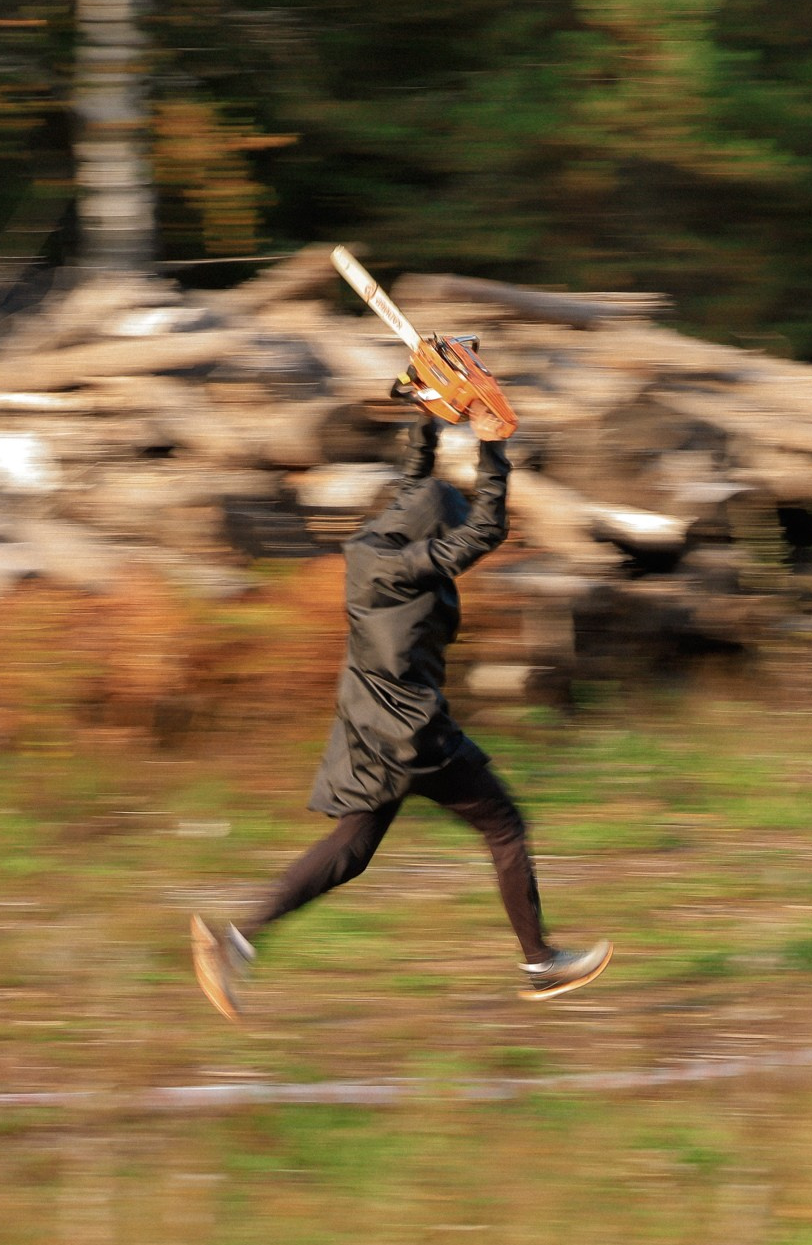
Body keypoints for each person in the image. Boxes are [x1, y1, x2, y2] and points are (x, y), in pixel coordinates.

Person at [191, 404, 611, 1020]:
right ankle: (540, 963)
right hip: (415, 733)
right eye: (447, 533)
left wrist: (428, 415)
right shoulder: (413, 569)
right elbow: (487, 531)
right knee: (504, 826)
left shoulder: (374, 546)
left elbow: (414, 486)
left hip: (366, 728)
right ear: (433, 536)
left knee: (352, 849)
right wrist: (493, 447)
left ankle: (234, 945)